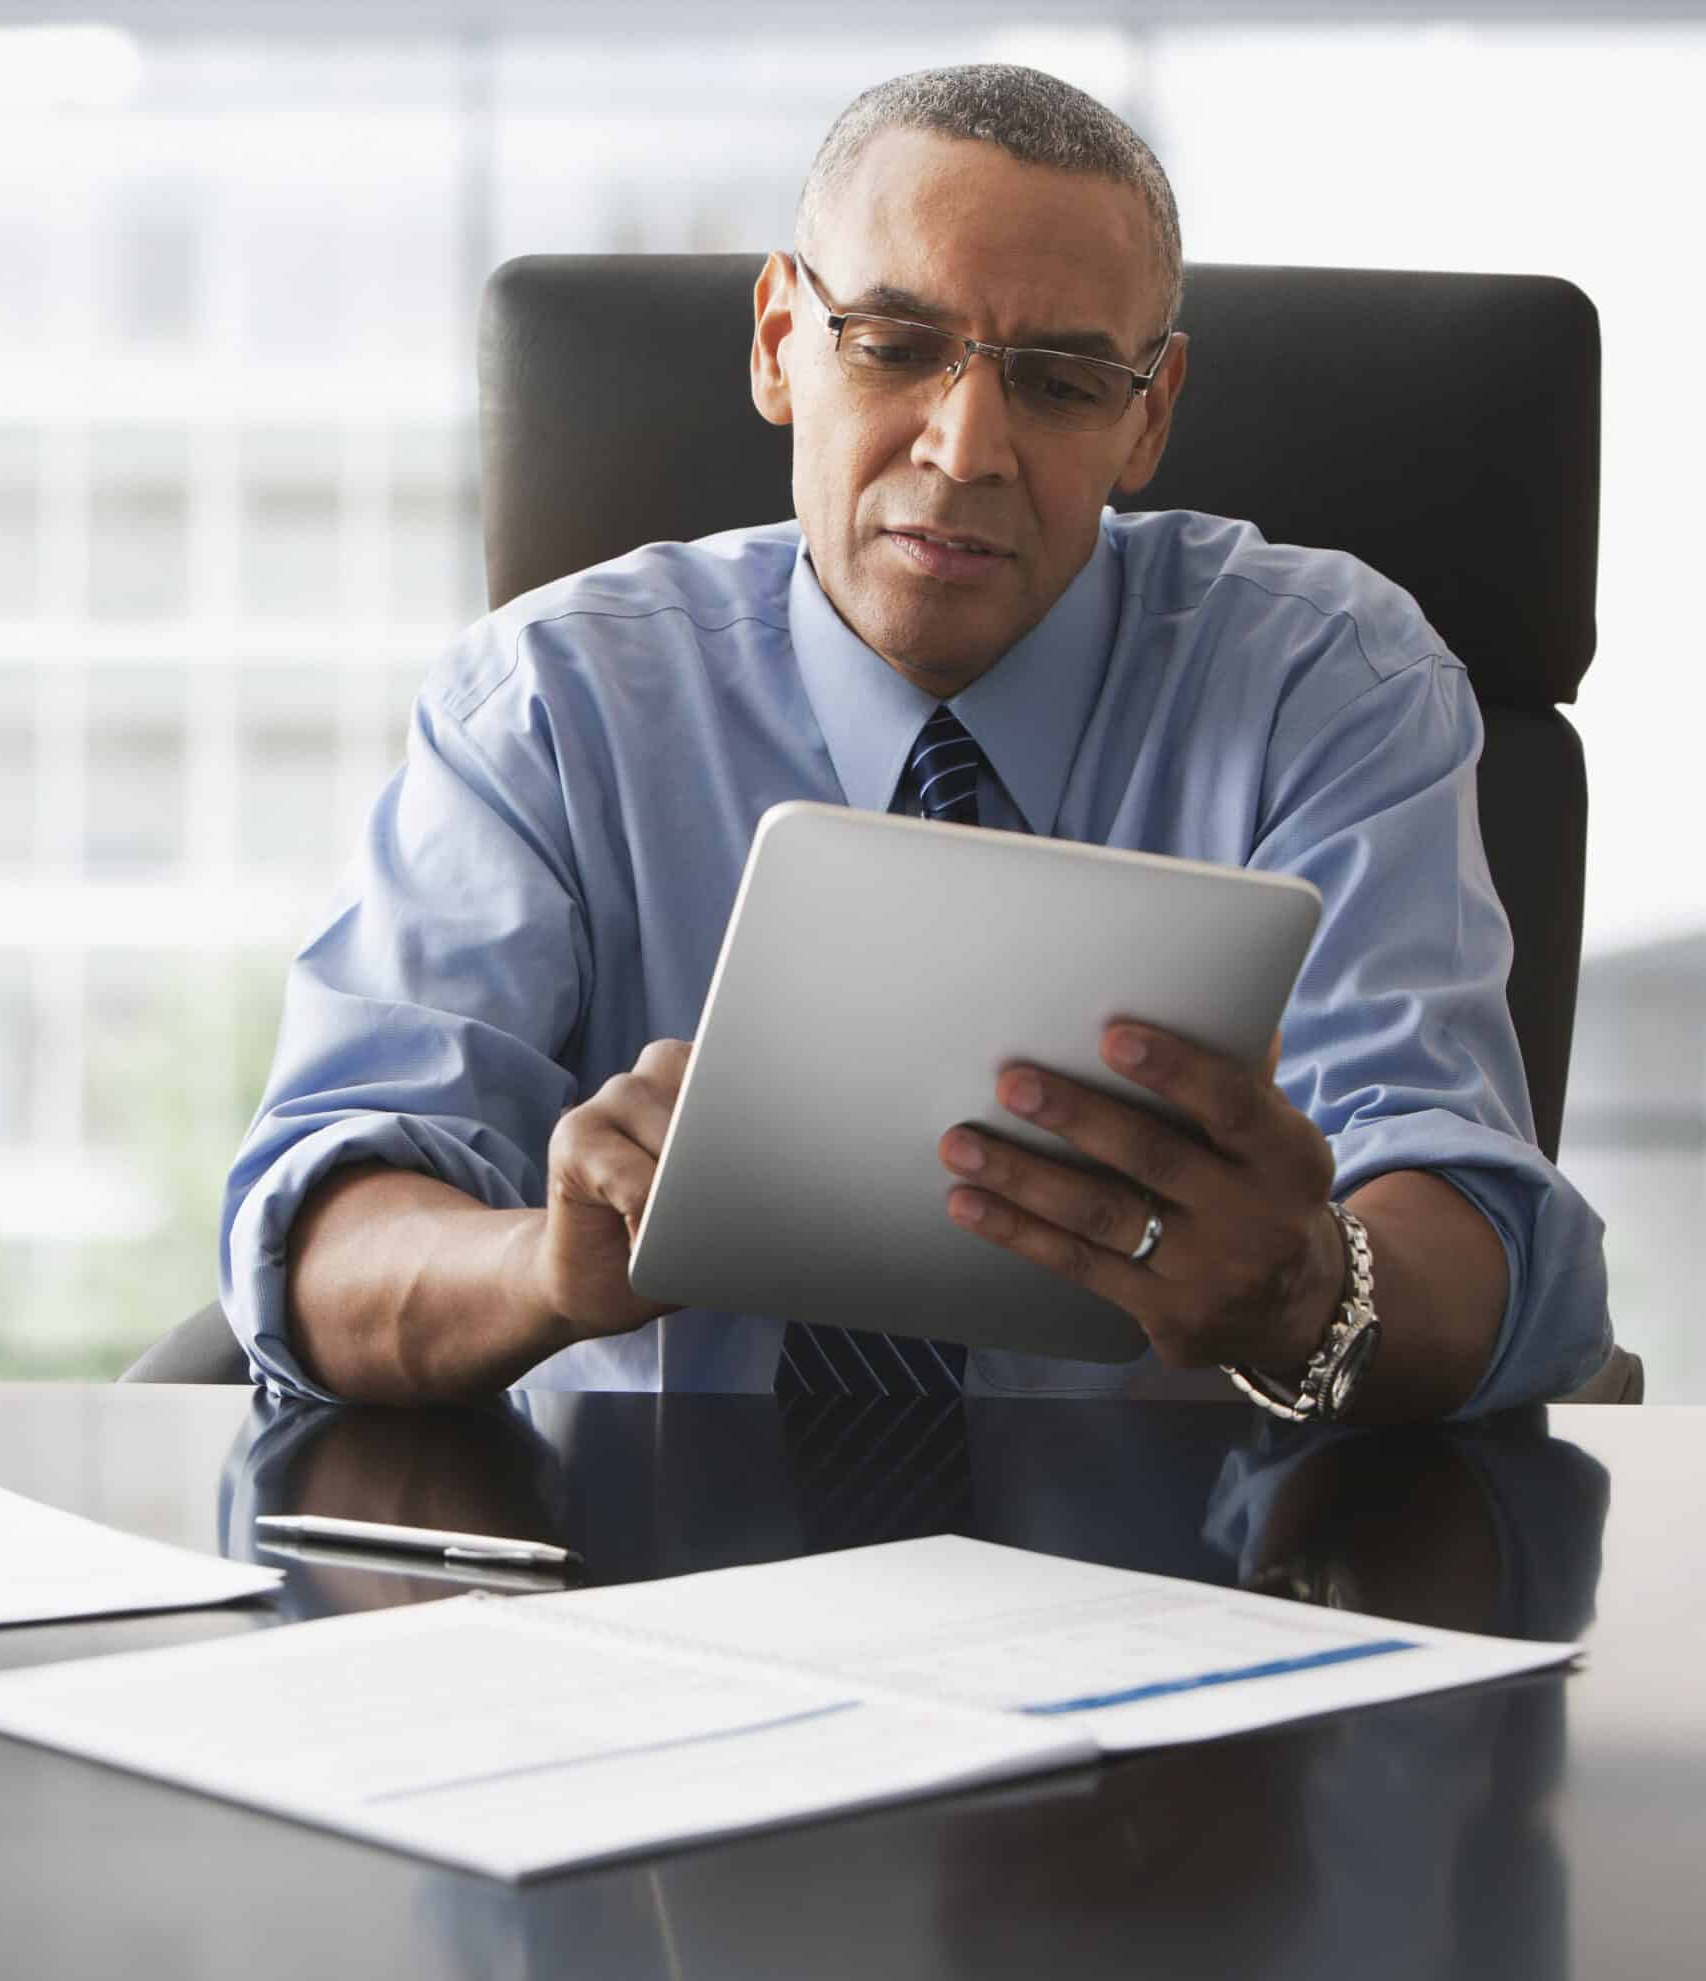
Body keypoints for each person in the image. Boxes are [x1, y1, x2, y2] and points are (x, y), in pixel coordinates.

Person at [218, 62, 1613, 1415]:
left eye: (1063, 381)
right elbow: (320, 1245)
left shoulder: (1328, 679)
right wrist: (543, 1267)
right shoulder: (549, 695)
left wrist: (1311, 1285)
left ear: (1152, 415)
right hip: (647, 1570)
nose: (965, 447)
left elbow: (1477, 1233)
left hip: (1185, 1575)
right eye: (893, 346)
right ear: (780, 341)